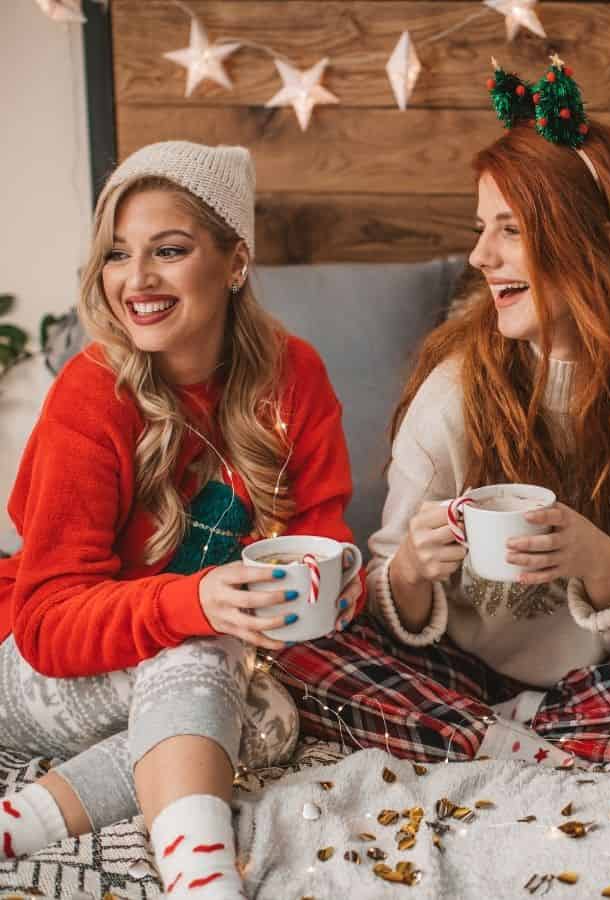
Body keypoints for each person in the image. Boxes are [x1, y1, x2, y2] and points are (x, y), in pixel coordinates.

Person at [272, 58, 610, 765]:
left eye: (509, 229)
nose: (482, 256)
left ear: (596, 240)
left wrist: (600, 562)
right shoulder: (457, 388)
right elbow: (391, 595)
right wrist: (414, 571)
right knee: (299, 653)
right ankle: (514, 738)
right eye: (483, 228)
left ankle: (493, 743)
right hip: (461, 674)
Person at [0, 141, 360, 897]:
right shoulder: (93, 391)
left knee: (268, 720)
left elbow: (322, 535)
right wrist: (196, 603)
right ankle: (204, 884)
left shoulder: (295, 375)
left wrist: (340, 584)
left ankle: (20, 822)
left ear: (235, 263)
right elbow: (45, 622)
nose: (137, 280)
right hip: (30, 663)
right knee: (206, 659)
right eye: (118, 255)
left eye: (168, 249)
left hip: (187, 671)